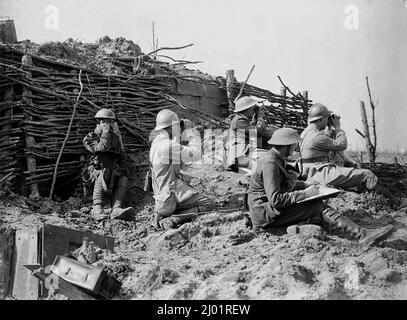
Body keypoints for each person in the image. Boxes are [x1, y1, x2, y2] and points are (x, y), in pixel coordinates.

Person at [248, 127, 394, 246]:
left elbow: (282, 185)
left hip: (267, 211)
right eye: (293, 145)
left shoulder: (275, 159)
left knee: (314, 208)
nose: (295, 148)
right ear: (286, 146)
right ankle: (362, 235)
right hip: (265, 215)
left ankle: (299, 225)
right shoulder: (270, 164)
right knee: (317, 206)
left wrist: (305, 184)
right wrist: (306, 194)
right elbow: (276, 200)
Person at [299, 103, 407, 209]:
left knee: (355, 173)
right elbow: (342, 145)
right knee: (367, 174)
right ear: (321, 119)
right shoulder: (317, 136)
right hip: (320, 174)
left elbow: (323, 146)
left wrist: (329, 128)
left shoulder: (306, 133)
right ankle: (396, 202)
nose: (328, 121)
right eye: (327, 119)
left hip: (311, 172)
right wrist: (338, 127)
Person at [150, 109, 215, 230]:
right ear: (171, 127)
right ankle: (172, 219)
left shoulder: (156, 143)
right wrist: (191, 132)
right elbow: (195, 154)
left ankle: (163, 215)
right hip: (169, 199)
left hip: (161, 197)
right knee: (208, 203)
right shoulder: (167, 145)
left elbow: (177, 152)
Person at [83, 108, 134, 221]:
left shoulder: (114, 138)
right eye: (104, 122)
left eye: (110, 122)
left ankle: (116, 208)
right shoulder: (90, 138)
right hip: (95, 173)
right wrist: (105, 133)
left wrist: (120, 170)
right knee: (103, 173)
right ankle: (97, 208)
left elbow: (121, 156)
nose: (107, 125)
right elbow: (101, 149)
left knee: (124, 180)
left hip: (112, 172)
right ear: (99, 123)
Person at [226, 96, 276, 172]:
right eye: (253, 108)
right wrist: (259, 117)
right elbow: (258, 132)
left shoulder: (243, 119)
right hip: (240, 155)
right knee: (271, 160)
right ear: (248, 109)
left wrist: (257, 117)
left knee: (273, 158)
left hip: (246, 152)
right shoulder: (239, 121)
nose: (254, 110)